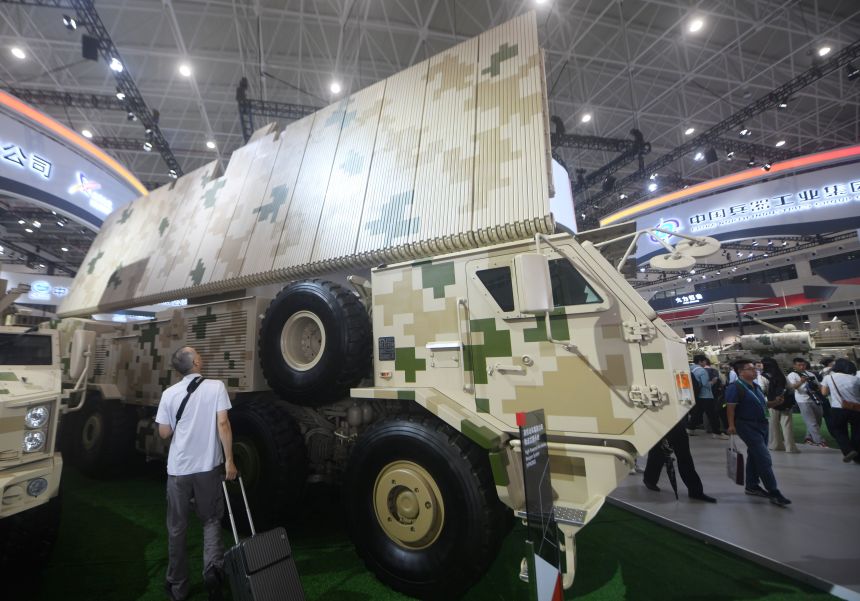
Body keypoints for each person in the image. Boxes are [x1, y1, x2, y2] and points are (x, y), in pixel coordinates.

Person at [156, 347, 238, 601]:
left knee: (177, 528)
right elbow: (222, 424)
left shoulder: (169, 394)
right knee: (211, 520)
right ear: (196, 362)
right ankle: (213, 573)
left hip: (178, 471)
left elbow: (164, 433)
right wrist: (229, 461)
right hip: (207, 469)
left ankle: (177, 586)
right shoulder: (216, 388)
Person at [726, 358, 791, 507]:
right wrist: (731, 425)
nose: (755, 371)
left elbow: (763, 403)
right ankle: (774, 492)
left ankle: (752, 486)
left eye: (755, 368)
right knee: (764, 458)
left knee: (755, 456)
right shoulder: (735, 387)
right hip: (746, 425)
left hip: (762, 424)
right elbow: (731, 407)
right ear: (741, 372)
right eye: (751, 369)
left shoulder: (756, 386)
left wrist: (775, 403)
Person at [643, 419, 717, 503]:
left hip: (675, 419)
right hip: (660, 419)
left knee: (683, 455)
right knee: (659, 451)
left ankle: (695, 491)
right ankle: (650, 479)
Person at [820, 358, 860, 463]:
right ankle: (857, 457)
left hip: (838, 408)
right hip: (856, 409)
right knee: (857, 433)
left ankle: (848, 450)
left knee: (838, 431)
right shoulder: (855, 379)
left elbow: (824, 393)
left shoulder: (829, 377)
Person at [787, 358, 827, 447]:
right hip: (803, 400)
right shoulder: (792, 375)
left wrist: (822, 389)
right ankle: (819, 441)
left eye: (803, 365)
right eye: (799, 365)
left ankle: (808, 438)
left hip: (815, 399)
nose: (802, 367)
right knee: (811, 422)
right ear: (794, 366)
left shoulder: (810, 374)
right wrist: (801, 381)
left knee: (818, 421)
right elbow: (792, 387)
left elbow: (819, 386)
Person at [761, 357, 799, 453]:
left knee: (773, 425)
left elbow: (762, 390)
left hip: (771, 404)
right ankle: (791, 447)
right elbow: (790, 388)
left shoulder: (762, 376)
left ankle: (776, 445)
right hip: (785, 402)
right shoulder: (782, 375)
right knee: (787, 426)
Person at [688, 355, 723, 438]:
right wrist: (713, 381)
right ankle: (717, 433)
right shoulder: (702, 371)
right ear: (700, 361)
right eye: (704, 361)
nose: (705, 363)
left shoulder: (690, 368)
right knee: (712, 414)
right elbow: (706, 384)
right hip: (706, 395)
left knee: (697, 413)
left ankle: (690, 428)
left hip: (696, 395)